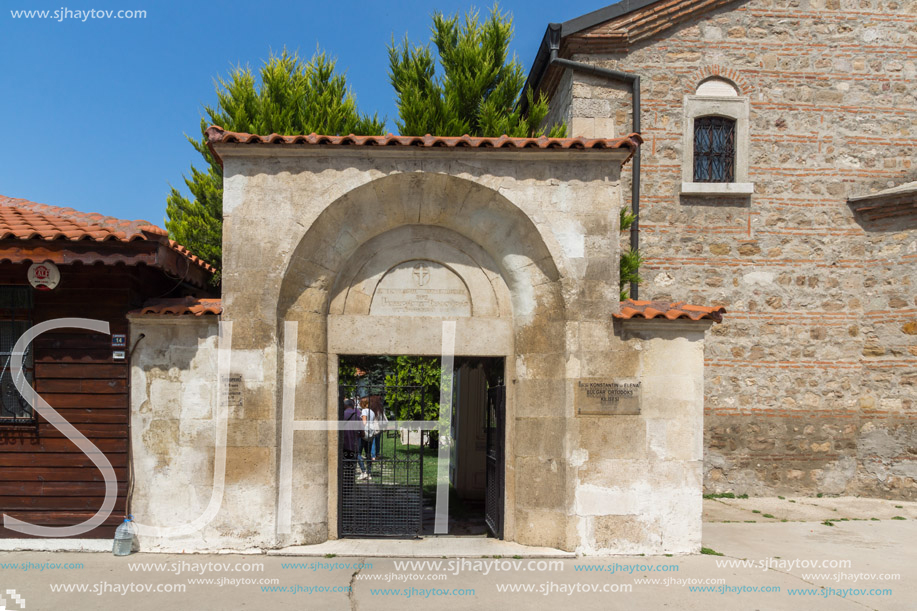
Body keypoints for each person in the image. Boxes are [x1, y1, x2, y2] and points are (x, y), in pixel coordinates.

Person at [341, 399, 360, 485]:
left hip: (343, 446)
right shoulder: (357, 417)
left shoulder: (341, 416)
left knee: (342, 467)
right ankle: (349, 487)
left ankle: (341, 486)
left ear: (345, 406)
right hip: (353, 446)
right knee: (351, 469)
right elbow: (362, 433)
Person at [358, 396, 374, 480]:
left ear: (362, 404)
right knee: (368, 454)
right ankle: (369, 473)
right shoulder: (372, 412)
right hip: (370, 435)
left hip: (364, 434)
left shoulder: (364, 411)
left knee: (358, 453)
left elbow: (364, 423)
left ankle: (363, 471)